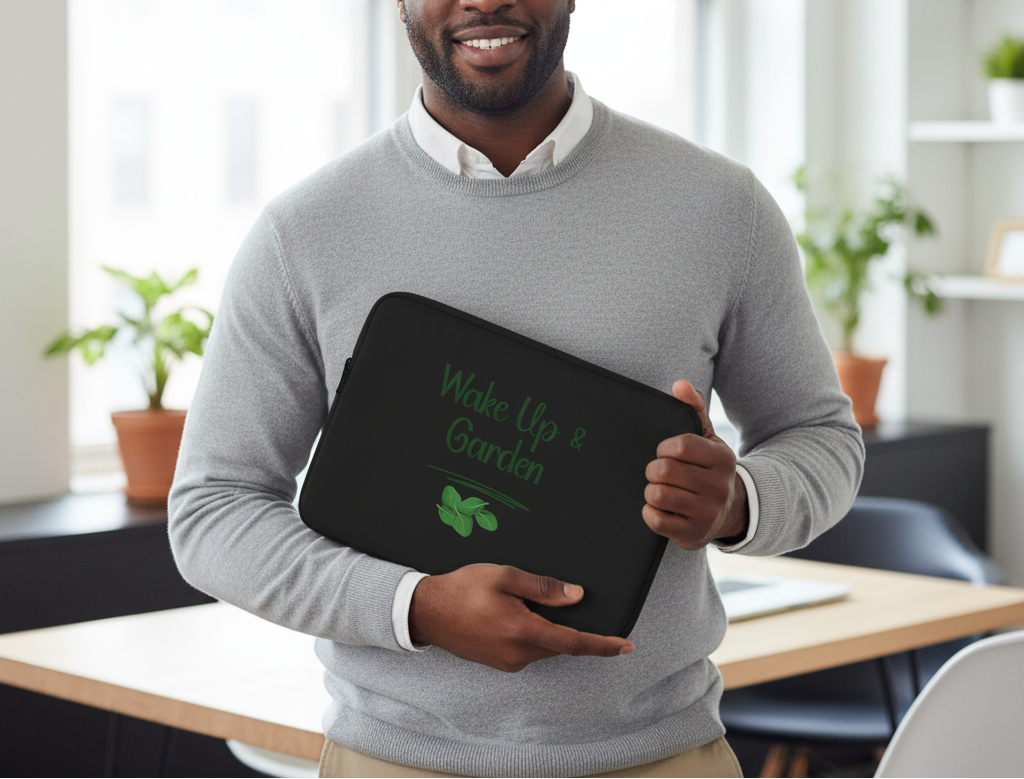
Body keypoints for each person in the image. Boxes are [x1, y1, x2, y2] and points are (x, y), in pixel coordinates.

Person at [168, 0, 865, 776]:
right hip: (392, 758)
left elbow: (822, 438)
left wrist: (737, 501)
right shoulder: (303, 232)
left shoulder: (721, 207)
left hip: (667, 753)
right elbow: (212, 510)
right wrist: (415, 609)